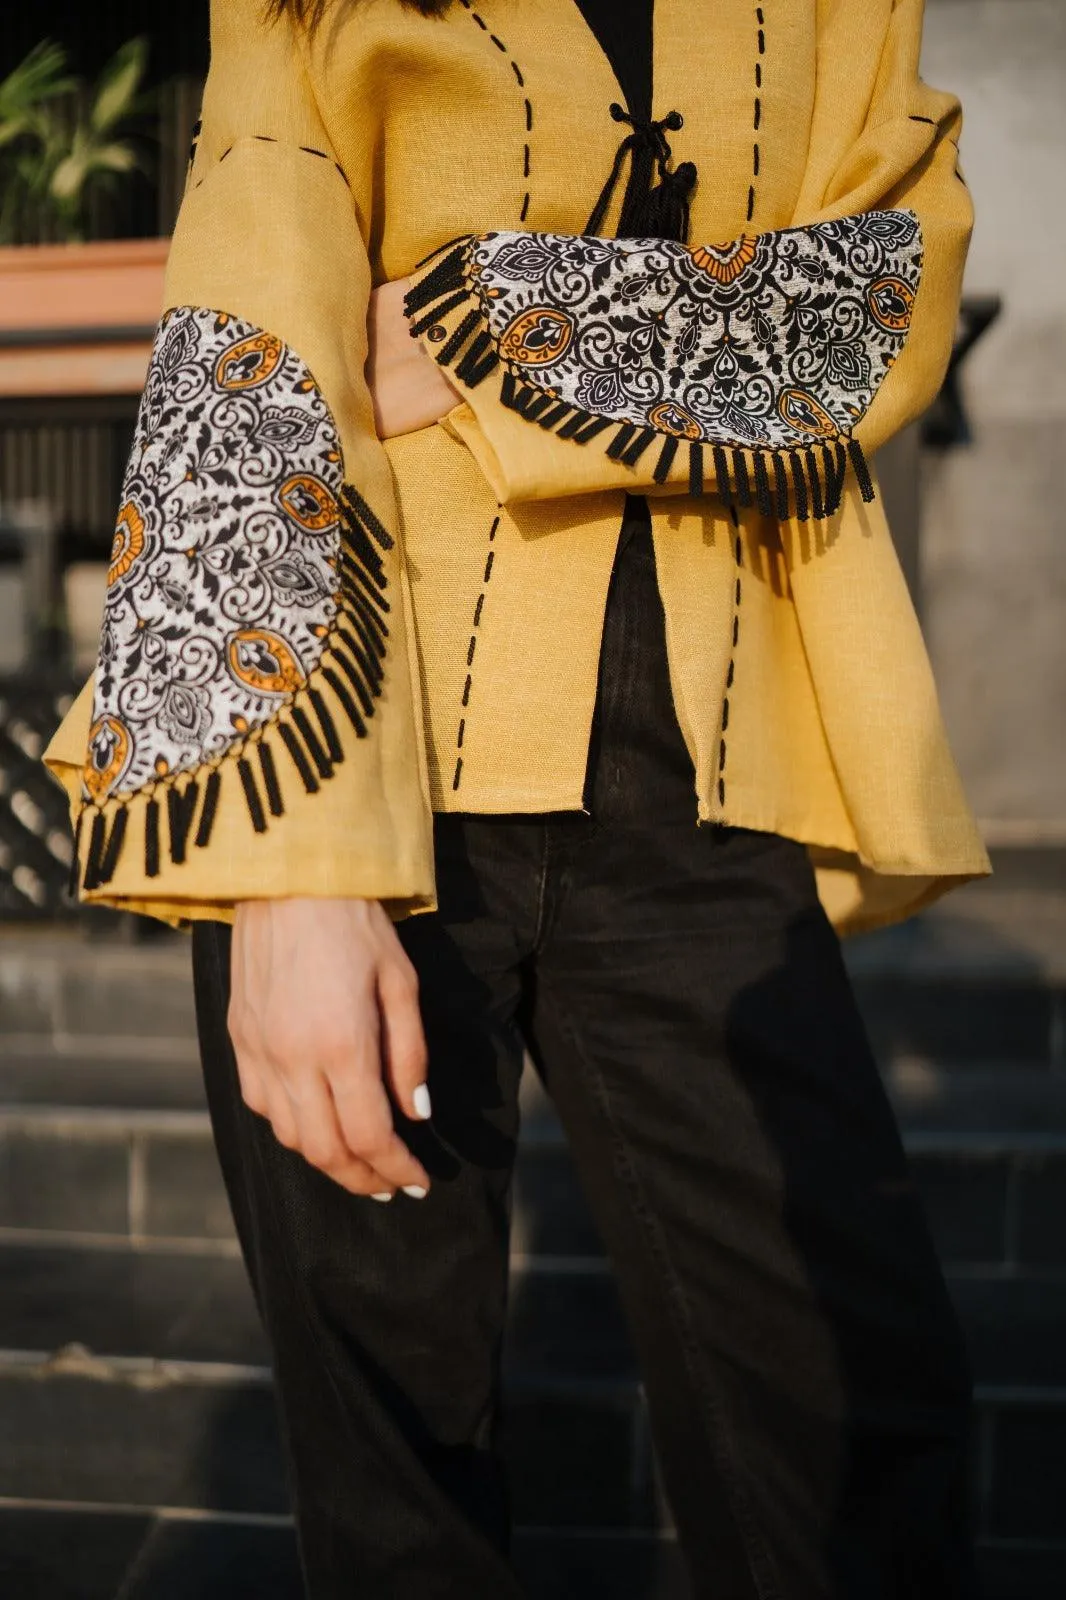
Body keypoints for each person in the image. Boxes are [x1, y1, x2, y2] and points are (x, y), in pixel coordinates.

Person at [45, 0, 991, 1593]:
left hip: (710, 770)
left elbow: (874, 305)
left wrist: (488, 317)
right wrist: (285, 880)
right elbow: (251, 346)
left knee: (855, 1415)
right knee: (391, 1472)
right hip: (362, 766)